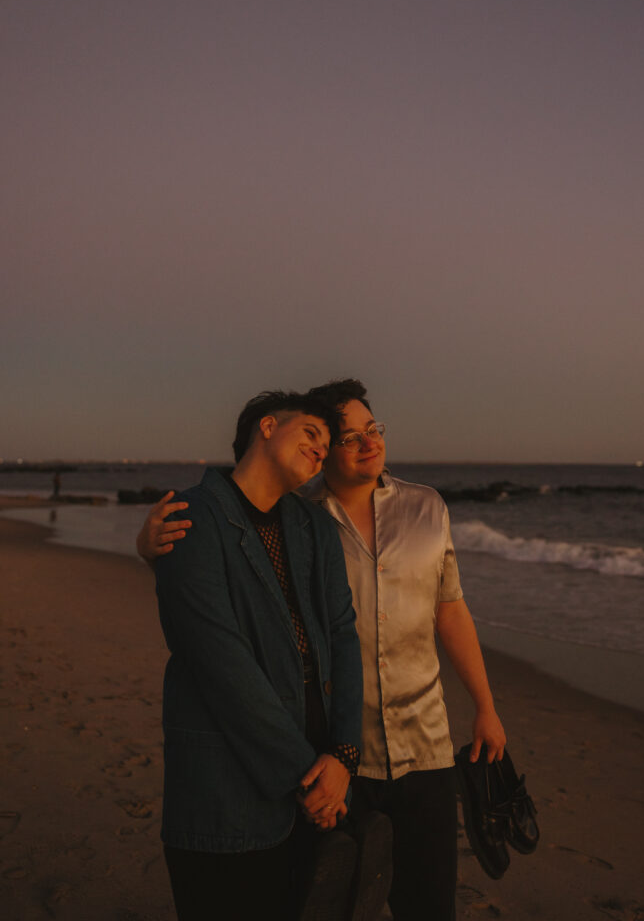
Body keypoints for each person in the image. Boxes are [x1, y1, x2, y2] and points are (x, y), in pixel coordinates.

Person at [139, 380, 506, 921]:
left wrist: (482, 707)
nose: (360, 443)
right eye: (335, 435)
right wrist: (320, 771)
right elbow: (222, 654)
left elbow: (391, 621)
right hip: (293, 766)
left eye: (369, 430)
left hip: (392, 753)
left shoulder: (373, 516)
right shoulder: (254, 515)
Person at [150, 389, 364, 921]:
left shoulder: (314, 527)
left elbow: (342, 634)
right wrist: (308, 778)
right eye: (309, 434)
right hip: (228, 793)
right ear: (266, 427)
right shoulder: (192, 516)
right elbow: (220, 664)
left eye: (326, 444)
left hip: (318, 779)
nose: (321, 450)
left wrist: (343, 756)